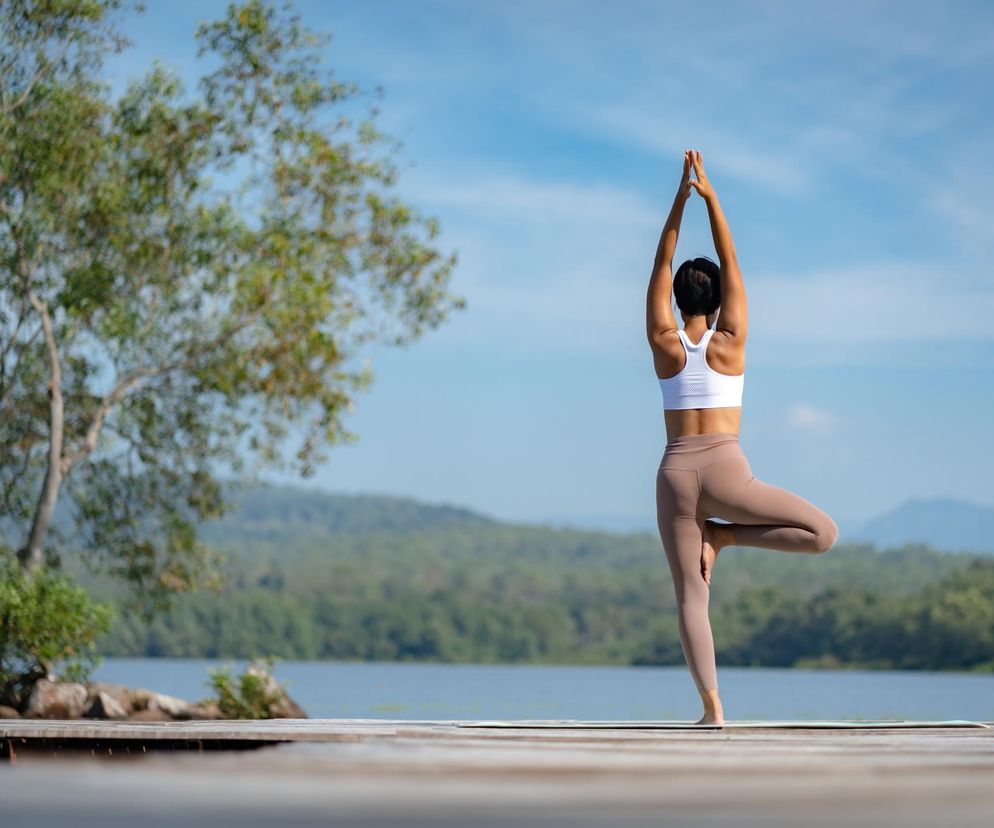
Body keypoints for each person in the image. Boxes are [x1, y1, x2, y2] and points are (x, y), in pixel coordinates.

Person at [646, 149, 839, 725]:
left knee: (689, 596)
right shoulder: (732, 338)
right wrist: (712, 198)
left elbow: (661, 261)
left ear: (678, 300)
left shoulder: (664, 340)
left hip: (676, 475)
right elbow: (732, 261)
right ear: (721, 296)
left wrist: (678, 201)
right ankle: (726, 540)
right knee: (822, 534)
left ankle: (712, 711)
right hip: (729, 473)